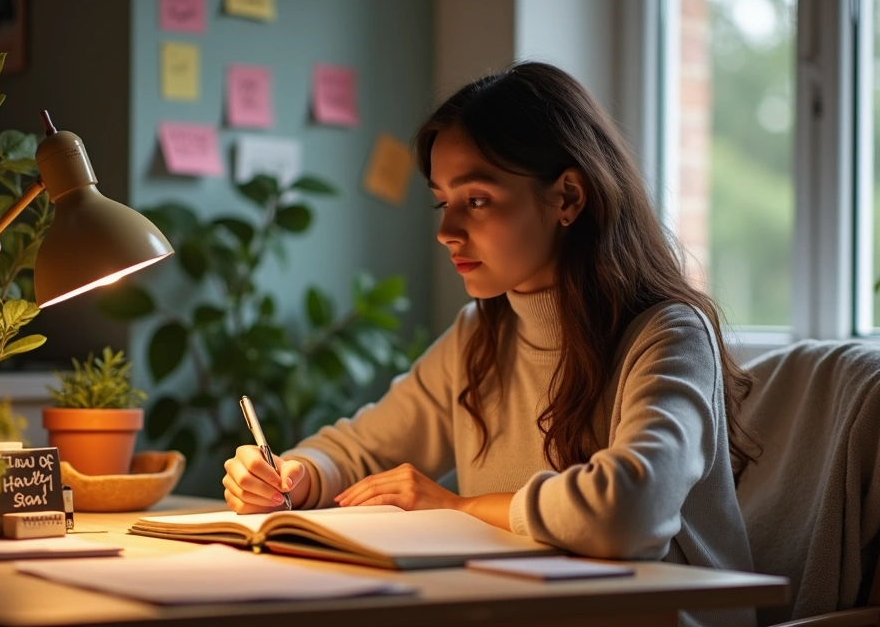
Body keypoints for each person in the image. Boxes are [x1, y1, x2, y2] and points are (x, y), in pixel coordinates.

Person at [222, 61, 760, 626]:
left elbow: (626, 512)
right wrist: (294, 475)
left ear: (568, 198)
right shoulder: (479, 335)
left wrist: (458, 508)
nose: (446, 230)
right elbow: (362, 449)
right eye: (441, 201)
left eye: (476, 200)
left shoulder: (668, 335)